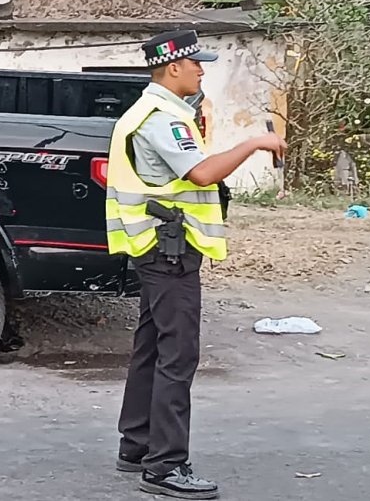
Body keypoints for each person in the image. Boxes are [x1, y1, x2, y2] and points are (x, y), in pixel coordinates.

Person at [107, 30, 287, 500]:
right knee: (178, 354)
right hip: (169, 250)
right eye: (196, 64)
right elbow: (202, 173)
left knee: (152, 346)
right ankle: (165, 467)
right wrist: (255, 142)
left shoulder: (154, 113)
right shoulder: (161, 118)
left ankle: (137, 445)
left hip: (156, 245)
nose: (201, 71)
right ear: (173, 68)